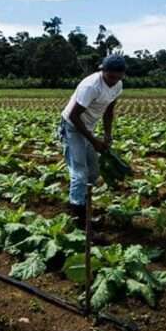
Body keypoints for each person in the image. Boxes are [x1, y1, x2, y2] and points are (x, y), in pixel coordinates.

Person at [59, 55, 126, 226]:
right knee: (80, 172)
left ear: (122, 75)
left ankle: (79, 204)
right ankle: (79, 217)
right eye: (110, 76)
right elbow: (74, 115)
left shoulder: (118, 85)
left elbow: (109, 111)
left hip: (87, 129)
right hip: (72, 127)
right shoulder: (91, 86)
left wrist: (107, 135)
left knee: (93, 173)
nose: (113, 80)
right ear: (102, 70)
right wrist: (94, 140)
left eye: (117, 77)